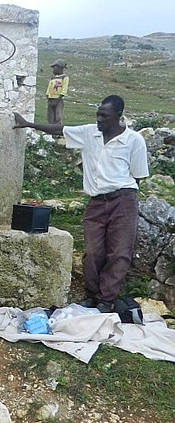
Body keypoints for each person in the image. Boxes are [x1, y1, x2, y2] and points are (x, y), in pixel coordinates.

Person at [13, 95, 149, 313]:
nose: (99, 119)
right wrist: (29, 124)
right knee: (92, 252)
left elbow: (138, 176)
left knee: (119, 252)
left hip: (123, 200)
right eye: (97, 114)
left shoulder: (134, 141)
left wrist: (121, 196)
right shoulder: (89, 133)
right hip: (96, 203)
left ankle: (106, 300)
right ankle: (92, 296)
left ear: (118, 116)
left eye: (104, 116)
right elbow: (60, 130)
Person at [46, 59, 69, 124]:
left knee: (58, 116)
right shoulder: (52, 78)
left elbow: (64, 89)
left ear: (60, 68)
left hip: (58, 99)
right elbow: (49, 88)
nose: (53, 70)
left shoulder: (64, 77)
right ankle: (51, 130)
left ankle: (57, 130)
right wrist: (48, 97)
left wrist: (58, 98)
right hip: (51, 99)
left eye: (54, 68)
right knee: (50, 116)